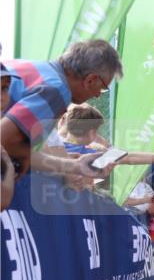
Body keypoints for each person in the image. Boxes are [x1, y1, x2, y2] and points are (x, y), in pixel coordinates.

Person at [1, 40, 123, 181]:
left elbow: (14, 146)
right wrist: (70, 165)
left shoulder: (34, 67)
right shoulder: (57, 90)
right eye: (102, 88)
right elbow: (5, 141)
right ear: (90, 80)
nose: (97, 95)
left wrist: (71, 164)